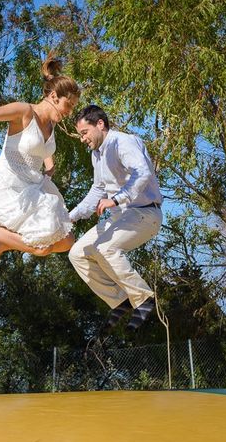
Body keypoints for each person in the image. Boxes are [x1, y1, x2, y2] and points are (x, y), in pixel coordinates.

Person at [0, 55, 80, 271]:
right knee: (42, 248)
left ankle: (3, 242)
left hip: (30, 189)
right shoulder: (25, 112)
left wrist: (49, 170)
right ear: (53, 96)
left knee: (67, 241)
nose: (69, 112)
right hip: (7, 190)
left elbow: (43, 154)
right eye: (68, 105)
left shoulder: (51, 127)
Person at [68, 105, 163, 331]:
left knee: (105, 249)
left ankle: (144, 299)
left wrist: (118, 199)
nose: (83, 139)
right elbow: (97, 191)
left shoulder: (123, 142)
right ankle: (119, 300)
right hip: (120, 216)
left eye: (84, 133)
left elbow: (143, 172)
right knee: (77, 253)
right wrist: (70, 217)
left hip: (145, 212)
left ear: (100, 124)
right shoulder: (96, 155)